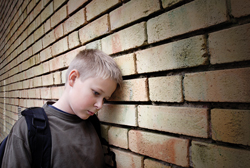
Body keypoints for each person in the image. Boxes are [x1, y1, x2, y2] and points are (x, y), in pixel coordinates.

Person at [2, 49, 123, 168]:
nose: (100, 105)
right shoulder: (29, 128)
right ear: (73, 78)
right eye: (96, 93)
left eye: (105, 99)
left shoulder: (93, 124)